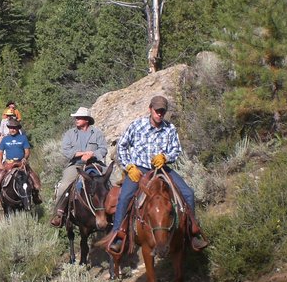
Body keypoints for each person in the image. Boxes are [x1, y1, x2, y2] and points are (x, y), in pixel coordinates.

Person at [107, 95, 208, 253]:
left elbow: (176, 149)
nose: (159, 114)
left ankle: (192, 233)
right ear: (150, 109)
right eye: (157, 110)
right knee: (125, 196)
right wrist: (129, 167)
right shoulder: (136, 125)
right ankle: (119, 236)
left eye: (162, 111)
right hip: (139, 170)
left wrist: (165, 157)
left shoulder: (170, 128)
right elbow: (122, 146)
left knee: (188, 193)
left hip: (161, 169)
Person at [50, 107, 109, 227]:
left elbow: (103, 149)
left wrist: (92, 154)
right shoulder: (70, 133)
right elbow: (66, 150)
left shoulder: (97, 133)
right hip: (76, 164)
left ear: (86, 120)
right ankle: (59, 214)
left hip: (95, 163)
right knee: (64, 185)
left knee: (113, 180)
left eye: (79, 117)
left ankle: (117, 212)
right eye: (76, 117)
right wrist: (83, 154)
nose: (76, 119)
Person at [0, 118, 43, 205]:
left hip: (21, 163)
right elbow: (1, 152)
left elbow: (27, 151)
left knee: (33, 177)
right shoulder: (5, 139)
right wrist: (0, 164)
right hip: (8, 163)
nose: (12, 130)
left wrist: (25, 158)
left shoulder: (23, 138)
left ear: (18, 129)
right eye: (10, 128)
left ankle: (35, 195)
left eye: (14, 128)